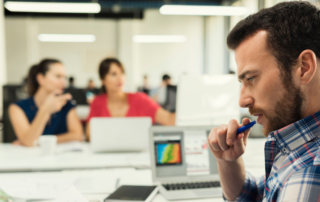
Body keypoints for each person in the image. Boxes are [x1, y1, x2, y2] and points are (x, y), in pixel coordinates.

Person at [207, 2, 320, 201]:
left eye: (251, 78)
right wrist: (228, 162)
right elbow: (258, 195)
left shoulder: (309, 172)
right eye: (242, 81)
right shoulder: (297, 146)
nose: (242, 101)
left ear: (303, 67)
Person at [86, 58, 175, 141]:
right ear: (102, 80)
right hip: (104, 156)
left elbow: (168, 119)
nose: (120, 78)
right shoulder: (97, 102)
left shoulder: (140, 99)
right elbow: (89, 135)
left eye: (122, 73)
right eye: (113, 74)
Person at [9, 59, 83, 147]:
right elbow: (29, 142)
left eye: (64, 77)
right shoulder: (17, 108)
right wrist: (45, 111)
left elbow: (77, 136)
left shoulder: (67, 105)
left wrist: (40, 141)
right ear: (41, 78)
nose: (64, 82)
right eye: (58, 76)